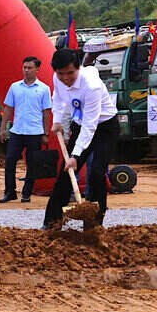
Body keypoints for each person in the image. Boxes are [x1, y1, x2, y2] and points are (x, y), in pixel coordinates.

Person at [44, 48, 119, 229]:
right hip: (80, 125)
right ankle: (52, 222)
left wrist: (76, 156)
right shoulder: (58, 78)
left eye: (70, 73)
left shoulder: (91, 85)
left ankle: (93, 224)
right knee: (65, 173)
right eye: (61, 74)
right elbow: (59, 98)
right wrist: (58, 120)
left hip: (104, 128)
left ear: (78, 68)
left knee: (96, 173)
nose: (66, 78)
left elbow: (90, 124)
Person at [0, 56, 52, 203]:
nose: (26, 70)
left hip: (35, 132)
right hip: (17, 131)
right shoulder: (15, 87)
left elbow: (46, 113)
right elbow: (8, 108)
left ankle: (27, 192)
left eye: (30, 68)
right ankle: (9, 191)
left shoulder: (44, 89)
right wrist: (3, 128)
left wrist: (46, 133)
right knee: (10, 160)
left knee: (32, 163)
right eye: (24, 67)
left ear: (37, 70)